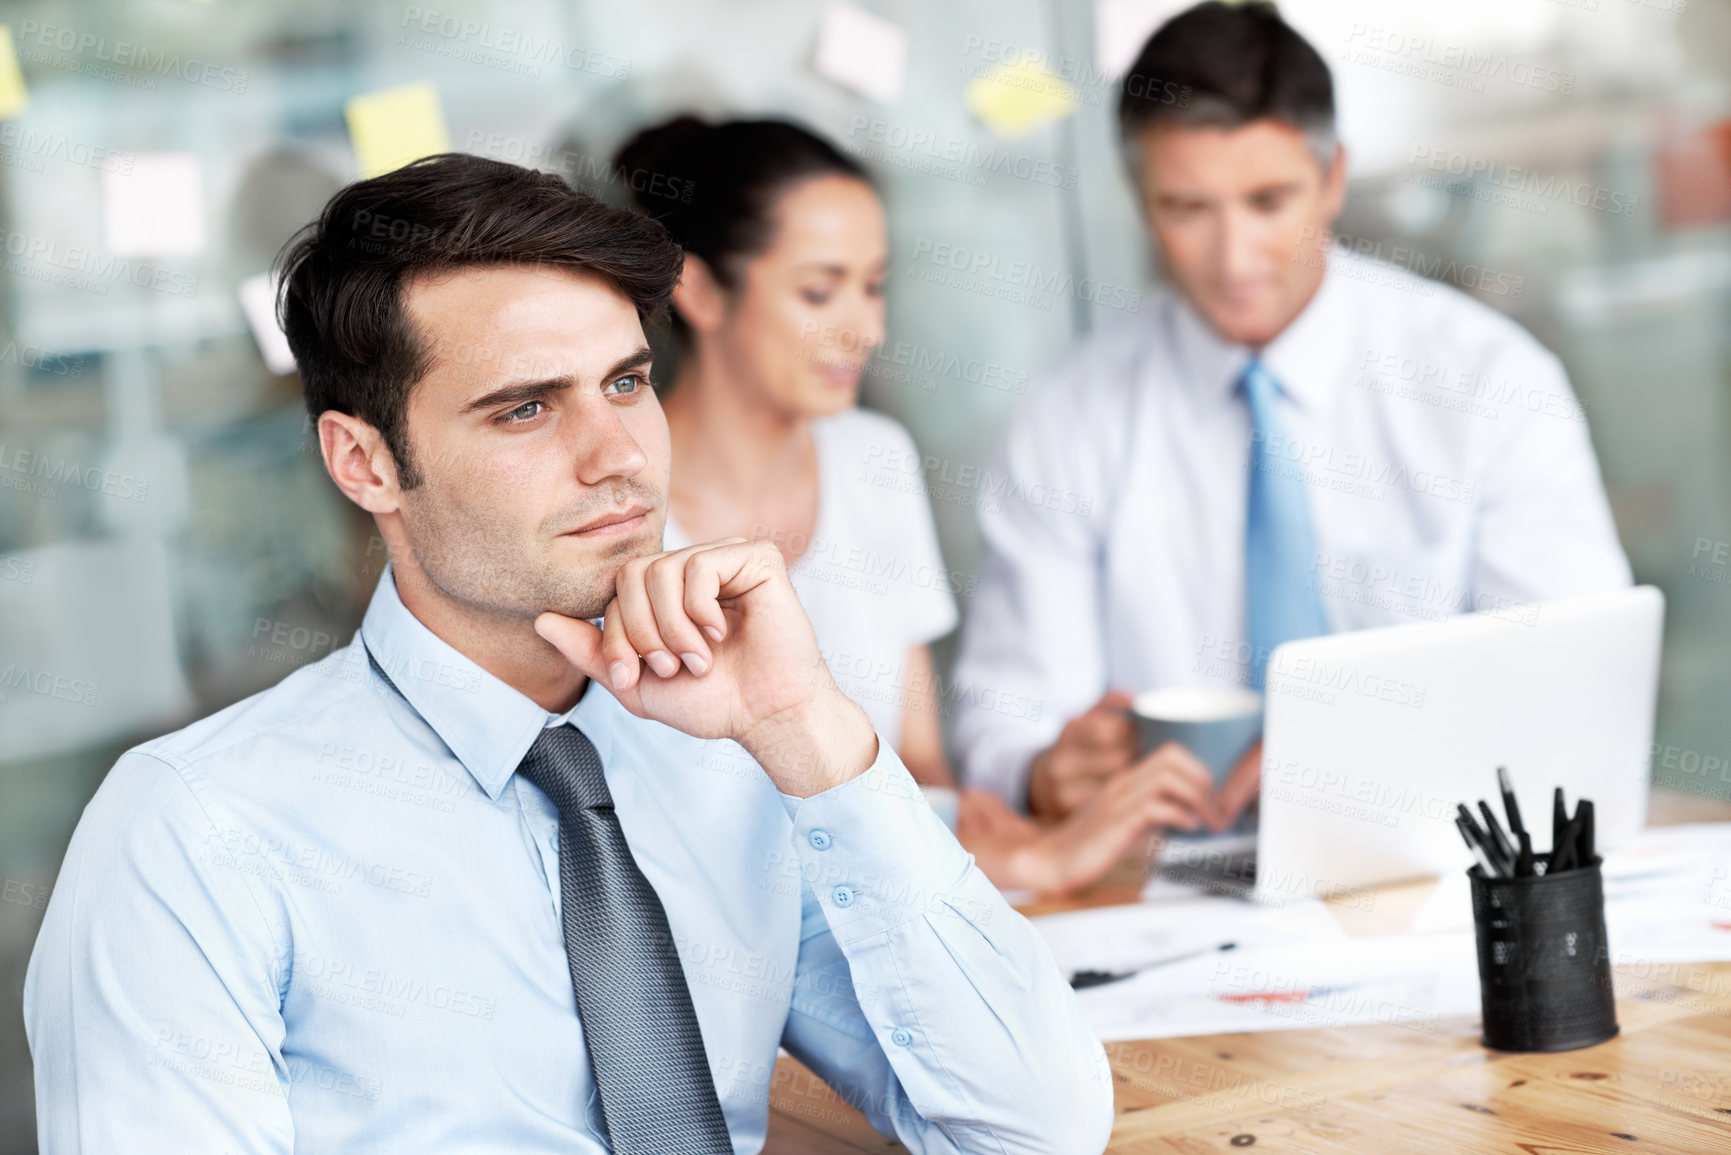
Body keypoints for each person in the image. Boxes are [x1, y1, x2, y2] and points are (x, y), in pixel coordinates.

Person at [24, 154, 1113, 1153]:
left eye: (629, 383)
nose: (620, 458)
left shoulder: (734, 759)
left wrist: (809, 729)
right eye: (526, 409)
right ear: (364, 463)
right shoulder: (197, 835)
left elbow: (1033, 1126)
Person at [953, 1, 1631, 825]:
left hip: (1435, 854)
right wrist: (1041, 771)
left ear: (1333, 177)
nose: (1234, 259)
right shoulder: (1067, 418)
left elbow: (1577, 679)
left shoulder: (1487, 381)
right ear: (1138, 198)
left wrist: (1359, 747)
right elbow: (1002, 725)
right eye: (1187, 209)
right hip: (1168, 883)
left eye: (1267, 201)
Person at [616, 116, 1221, 895]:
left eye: (873, 286)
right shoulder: (624, 522)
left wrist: (1037, 814)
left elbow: (919, 771)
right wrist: (1021, 859)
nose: (866, 328)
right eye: (818, 289)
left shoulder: (875, 462)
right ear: (696, 288)